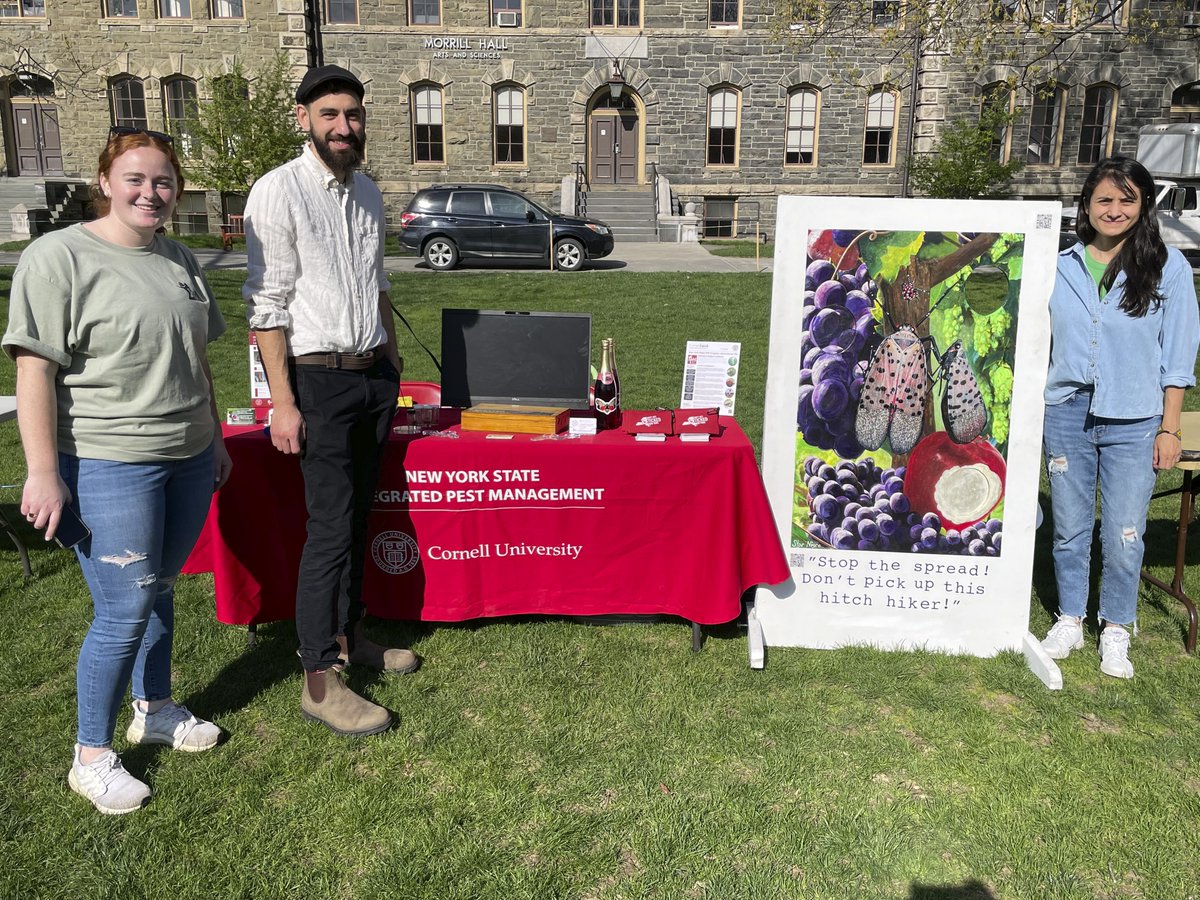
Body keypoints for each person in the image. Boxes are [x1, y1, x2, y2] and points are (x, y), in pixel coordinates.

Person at [3, 128, 232, 814]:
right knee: (124, 607)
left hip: (188, 456)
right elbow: (34, 369)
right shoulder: (59, 257)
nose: (150, 193)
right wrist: (42, 471)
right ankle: (92, 755)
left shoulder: (180, 258)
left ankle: (154, 708)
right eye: (135, 178)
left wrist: (215, 438)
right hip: (109, 461)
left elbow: (194, 359)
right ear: (105, 181)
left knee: (160, 588)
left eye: (163, 182)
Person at [242, 64, 418, 737]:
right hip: (315, 382)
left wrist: (394, 360)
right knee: (327, 531)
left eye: (353, 114)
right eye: (330, 115)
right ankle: (319, 677)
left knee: (356, 522)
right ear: (303, 119)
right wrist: (282, 402)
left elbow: (377, 285)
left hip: (372, 375)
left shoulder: (368, 192)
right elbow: (267, 306)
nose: (344, 126)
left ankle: (350, 638)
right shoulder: (277, 192)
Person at [1041, 156, 1199, 679]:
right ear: (1086, 205)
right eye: (1104, 199)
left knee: (1127, 531)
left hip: (1135, 417)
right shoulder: (1059, 263)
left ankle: (1115, 627)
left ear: (1143, 205)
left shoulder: (1167, 267)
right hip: (1066, 414)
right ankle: (1069, 616)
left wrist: (1170, 427)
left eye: (1126, 199)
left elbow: (1178, 357)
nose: (1114, 209)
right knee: (1069, 525)